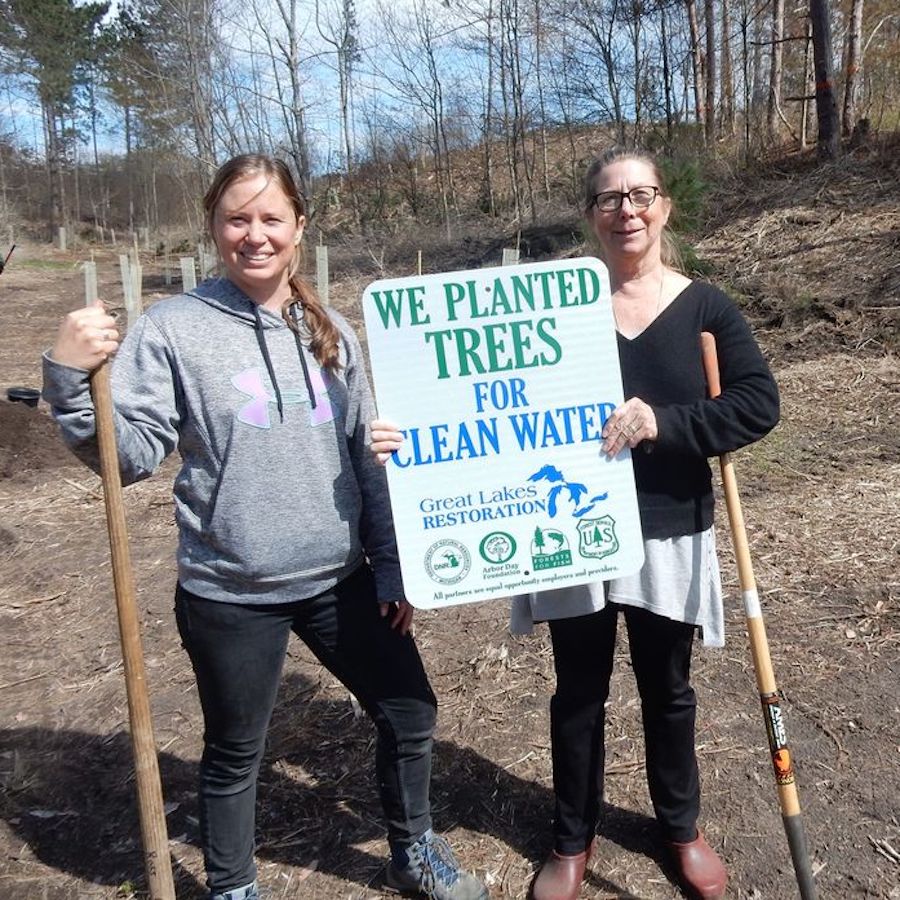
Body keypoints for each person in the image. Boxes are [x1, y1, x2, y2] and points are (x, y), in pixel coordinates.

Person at [42, 154, 488, 900]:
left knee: (411, 712)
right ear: (214, 227)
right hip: (231, 590)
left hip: (338, 579)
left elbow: (367, 461)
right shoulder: (174, 329)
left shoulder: (331, 328)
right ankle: (232, 887)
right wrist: (68, 377)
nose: (254, 235)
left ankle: (414, 851)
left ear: (299, 226)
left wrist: (392, 567)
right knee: (235, 751)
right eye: (236, 219)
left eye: (270, 218)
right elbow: (128, 458)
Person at [370, 147, 779, 900]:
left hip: (666, 528)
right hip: (568, 527)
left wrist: (666, 421)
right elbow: (469, 389)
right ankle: (571, 840)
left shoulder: (705, 308)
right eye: (609, 198)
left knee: (670, 689)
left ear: (664, 207)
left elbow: (757, 404)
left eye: (641, 194)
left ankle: (680, 827)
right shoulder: (551, 306)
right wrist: (408, 436)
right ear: (589, 212)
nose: (626, 210)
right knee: (578, 692)